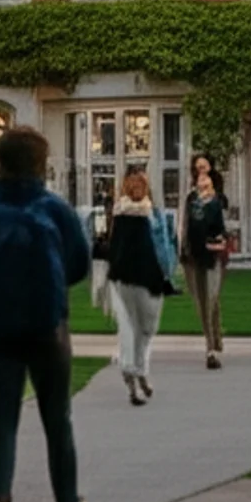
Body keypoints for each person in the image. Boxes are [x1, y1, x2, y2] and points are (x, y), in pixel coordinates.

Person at [0, 126, 97, 502]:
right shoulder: (54, 209)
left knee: (4, 418)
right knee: (57, 417)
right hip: (47, 322)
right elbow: (80, 263)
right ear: (40, 164)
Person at [107, 171, 170, 406]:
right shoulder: (131, 215)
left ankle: (136, 370)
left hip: (138, 277)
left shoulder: (145, 213)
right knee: (137, 327)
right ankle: (134, 372)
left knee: (141, 327)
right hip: (137, 277)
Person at [180, 155, 229, 369]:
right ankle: (211, 343)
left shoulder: (218, 201)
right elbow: (185, 224)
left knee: (212, 298)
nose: (201, 172)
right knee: (202, 302)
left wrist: (221, 242)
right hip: (195, 255)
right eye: (197, 169)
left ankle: (214, 341)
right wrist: (182, 247)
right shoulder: (191, 200)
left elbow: (222, 228)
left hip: (213, 255)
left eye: (204, 169)